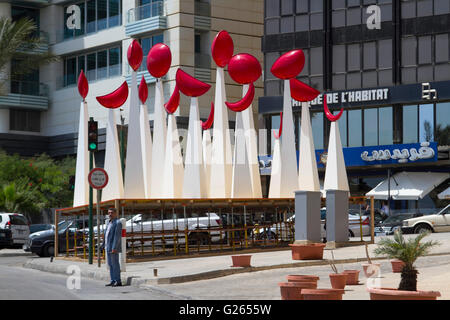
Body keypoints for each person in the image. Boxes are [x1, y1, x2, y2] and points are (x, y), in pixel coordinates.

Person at [104, 207, 123, 287]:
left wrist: (114, 248)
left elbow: (117, 236)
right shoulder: (109, 223)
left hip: (113, 248)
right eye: (109, 213)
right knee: (110, 264)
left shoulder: (118, 223)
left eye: (111, 213)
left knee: (115, 264)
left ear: (115, 213)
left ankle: (118, 281)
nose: (110, 214)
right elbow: (106, 235)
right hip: (107, 246)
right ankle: (112, 280)